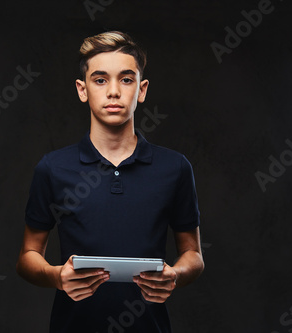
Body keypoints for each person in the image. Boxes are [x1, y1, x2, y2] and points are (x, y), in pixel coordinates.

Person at [16, 31, 204, 332]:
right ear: (82, 89)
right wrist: (56, 276)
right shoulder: (53, 168)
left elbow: (193, 254)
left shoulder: (175, 167)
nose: (114, 91)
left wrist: (176, 275)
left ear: (141, 90)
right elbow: (27, 255)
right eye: (100, 79)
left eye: (126, 79)